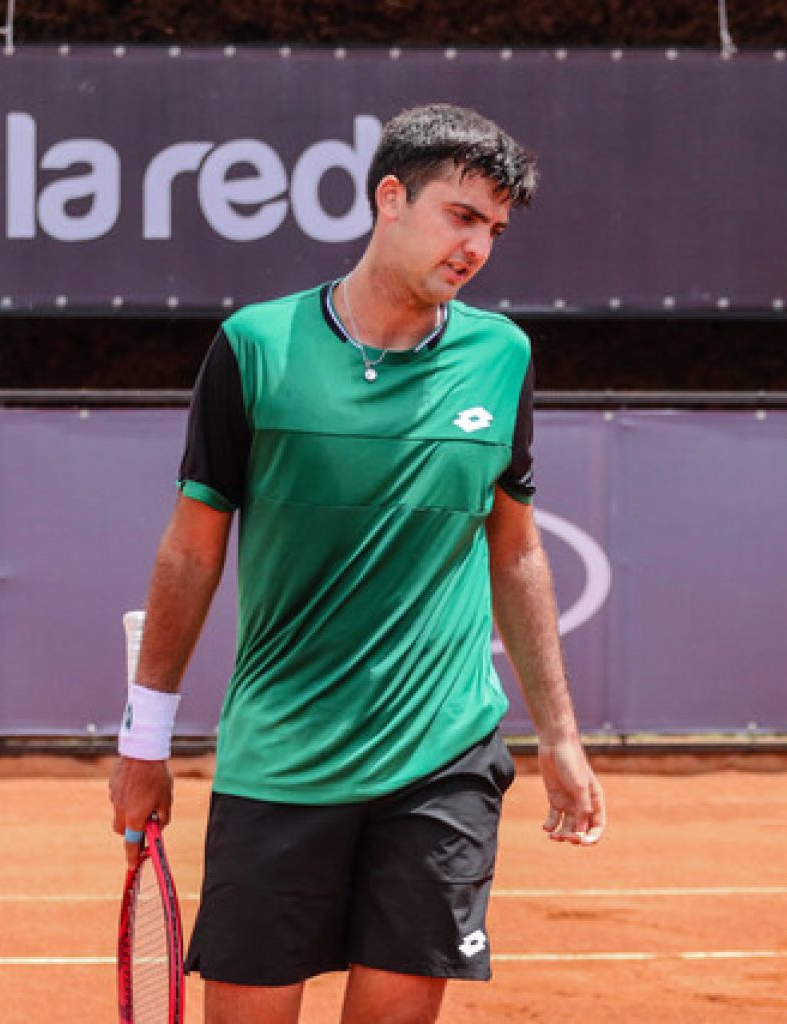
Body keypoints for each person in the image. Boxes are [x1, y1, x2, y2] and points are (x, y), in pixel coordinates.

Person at [109, 102, 605, 1024]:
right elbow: (190, 555)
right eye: (461, 216)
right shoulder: (255, 348)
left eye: (494, 230)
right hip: (280, 761)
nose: (476, 248)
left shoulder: (502, 356)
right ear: (390, 198)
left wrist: (560, 737)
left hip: (441, 756)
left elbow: (518, 548)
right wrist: (144, 743)